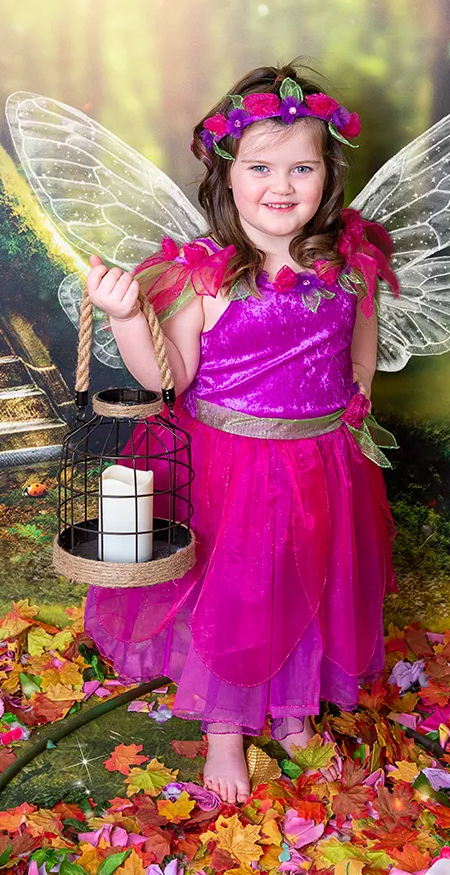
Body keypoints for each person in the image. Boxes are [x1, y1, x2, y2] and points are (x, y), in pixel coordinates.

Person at [83, 63, 399, 805]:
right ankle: (225, 726)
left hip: (324, 455)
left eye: (301, 168)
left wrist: (356, 401)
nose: (280, 185)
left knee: (311, 579)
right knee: (240, 588)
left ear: (328, 175)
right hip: (234, 460)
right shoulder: (206, 277)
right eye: (260, 167)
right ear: (227, 176)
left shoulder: (349, 267)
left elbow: (361, 345)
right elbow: (167, 378)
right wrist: (127, 317)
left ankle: (292, 710)